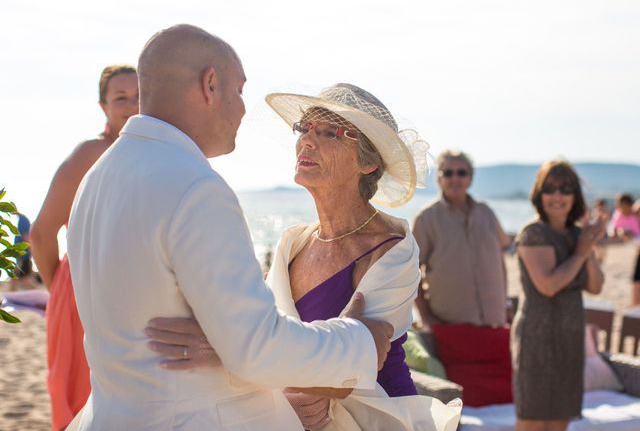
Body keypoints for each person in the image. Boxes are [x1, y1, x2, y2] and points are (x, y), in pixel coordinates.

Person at [66, 25, 395, 431]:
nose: (242, 109)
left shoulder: (96, 178)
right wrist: (361, 343)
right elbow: (256, 348)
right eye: (239, 91)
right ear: (210, 85)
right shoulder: (194, 188)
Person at [146, 83, 462, 431]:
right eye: (305, 128)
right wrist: (279, 393)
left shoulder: (393, 248)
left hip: (377, 419)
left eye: (330, 132)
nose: (307, 141)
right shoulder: (292, 244)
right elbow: (267, 333)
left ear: (368, 163)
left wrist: (221, 352)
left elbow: (354, 365)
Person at [30, 63, 138, 430]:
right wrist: (60, 292)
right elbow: (41, 234)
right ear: (103, 105)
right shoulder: (89, 153)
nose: (132, 105)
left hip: (135, 295)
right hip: (81, 295)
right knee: (79, 400)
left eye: (140, 95)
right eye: (121, 97)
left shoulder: (152, 153)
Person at [511, 159, 605, 431]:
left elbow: (596, 286)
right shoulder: (533, 233)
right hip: (537, 338)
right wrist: (581, 252)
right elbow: (548, 285)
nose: (558, 196)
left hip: (569, 338)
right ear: (540, 194)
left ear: (575, 195)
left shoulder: (579, 234)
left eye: (565, 189)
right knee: (533, 417)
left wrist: (587, 246)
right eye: (550, 189)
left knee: (560, 417)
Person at [412, 149, 512, 329]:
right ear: (439, 178)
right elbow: (411, 271)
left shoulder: (486, 213)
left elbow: (500, 258)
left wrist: (504, 302)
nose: (455, 178)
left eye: (462, 173)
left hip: (494, 321)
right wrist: (426, 317)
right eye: (448, 173)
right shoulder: (426, 218)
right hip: (448, 325)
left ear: (470, 178)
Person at [609, 193, 640, 305]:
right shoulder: (618, 215)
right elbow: (613, 229)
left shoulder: (636, 213)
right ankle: (636, 306)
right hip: (636, 249)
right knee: (636, 279)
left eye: (620, 205)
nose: (618, 207)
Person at [9, 213, 38, 291]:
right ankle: (11, 293)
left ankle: (37, 294)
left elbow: (25, 236)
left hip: (23, 253)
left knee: (24, 276)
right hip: (21, 253)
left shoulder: (23, 220)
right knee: (22, 275)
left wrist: (31, 249)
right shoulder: (22, 219)